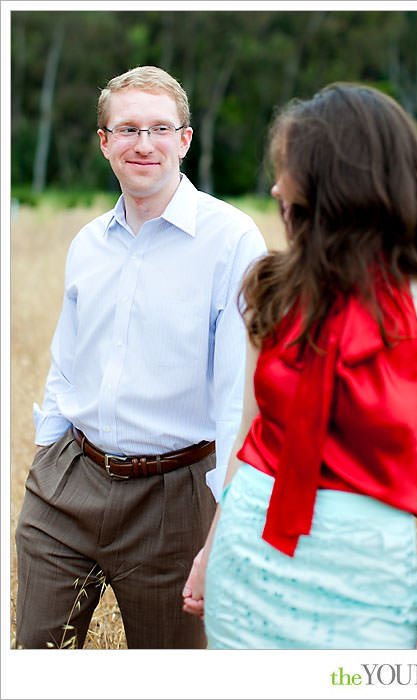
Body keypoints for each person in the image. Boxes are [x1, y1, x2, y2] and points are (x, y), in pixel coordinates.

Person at [14, 66, 267, 649]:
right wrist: (48, 453)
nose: (143, 144)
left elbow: (238, 396)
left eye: (160, 128)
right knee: (36, 662)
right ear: (104, 143)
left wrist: (222, 522)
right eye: (127, 129)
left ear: (185, 138)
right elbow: (66, 361)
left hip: (173, 500)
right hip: (68, 485)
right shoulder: (88, 244)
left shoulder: (232, 240)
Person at [180, 83, 417, 649]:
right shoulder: (271, 287)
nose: (276, 187)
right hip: (246, 563)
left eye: (289, 170)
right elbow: (248, 435)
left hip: (366, 585)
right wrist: (209, 550)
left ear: (338, 179)